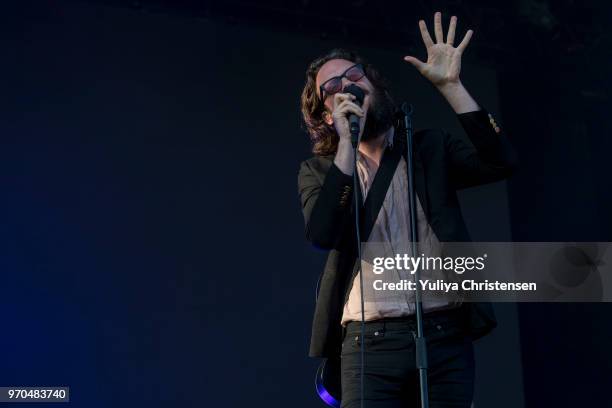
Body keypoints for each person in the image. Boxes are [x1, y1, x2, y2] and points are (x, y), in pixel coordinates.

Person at [297, 11, 517, 408]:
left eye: (354, 75)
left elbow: (500, 161)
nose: (347, 84)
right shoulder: (320, 171)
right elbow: (322, 234)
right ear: (327, 115)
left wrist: (452, 87)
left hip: (443, 334)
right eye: (332, 86)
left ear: (374, 84)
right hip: (369, 344)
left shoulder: (428, 148)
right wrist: (347, 143)